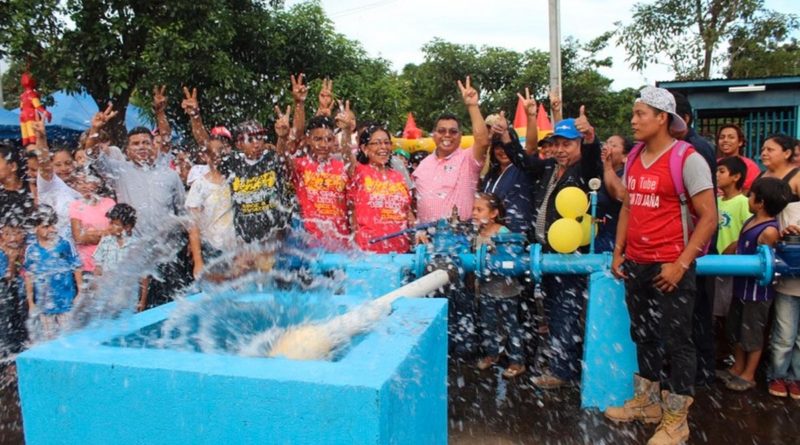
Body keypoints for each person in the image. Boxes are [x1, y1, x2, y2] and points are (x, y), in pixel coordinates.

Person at [606, 86, 716, 445]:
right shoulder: (635, 155)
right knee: (643, 333)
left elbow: (709, 218)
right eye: (634, 113)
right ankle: (648, 403)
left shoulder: (688, 159)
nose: (633, 120)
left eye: (640, 114)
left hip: (671, 265)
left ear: (662, 118)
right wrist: (619, 250)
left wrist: (681, 264)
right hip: (636, 261)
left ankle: (676, 420)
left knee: (678, 341)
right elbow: (628, 206)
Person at [498, 103, 601, 388]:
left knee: (565, 312)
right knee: (551, 311)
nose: (560, 150)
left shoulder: (585, 170)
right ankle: (558, 363)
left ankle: (563, 371)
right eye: (556, 144)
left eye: (567, 144)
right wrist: (506, 135)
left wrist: (591, 139)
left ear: (579, 143)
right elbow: (523, 162)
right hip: (543, 252)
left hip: (570, 254)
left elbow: (594, 161)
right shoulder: (550, 167)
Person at [85, 105, 191, 308]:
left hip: (169, 254)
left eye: (145, 142)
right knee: (139, 310)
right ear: (127, 150)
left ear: (154, 146)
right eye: (135, 144)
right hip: (135, 256)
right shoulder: (119, 171)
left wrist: (191, 247)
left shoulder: (169, 175)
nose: (141, 147)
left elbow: (183, 213)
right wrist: (95, 129)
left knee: (174, 308)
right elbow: (91, 156)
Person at [720, 178, 790, 392]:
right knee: (738, 329)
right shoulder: (751, 221)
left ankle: (749, 374)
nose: (748, 198)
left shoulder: (769, 231)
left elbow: (765, 262)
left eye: (751, 196)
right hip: (741, 288)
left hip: (757, 292)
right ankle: (737, 368)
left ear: (760, 203)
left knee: (752, 333)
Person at [412, 76, 490, 223]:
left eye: (453, 132)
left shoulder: (468, 159)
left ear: (460, 136)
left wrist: (472, 106)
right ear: (434, 135)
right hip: (426, 238)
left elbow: (483, 140)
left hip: (459, 236)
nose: (447, 135)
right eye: (441, 131)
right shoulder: (423, 165)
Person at [472, 193, 526, 378]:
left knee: (511, 325)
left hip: (507, 289)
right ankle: (492, 354)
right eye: (473, 209)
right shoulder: (476, 234)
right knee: (488, 323)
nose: (474, 213)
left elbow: (511, 259)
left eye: (480, 210)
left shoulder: (503, 233)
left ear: (494, 213)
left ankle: (516, 361)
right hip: (486, 289)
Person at [763, 134, 800, 400]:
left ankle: (796, 377)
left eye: (770, 149)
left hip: (796, 253)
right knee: (784, 328)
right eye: (763, 148)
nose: (764, 152)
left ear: (787, 152)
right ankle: (777, 374)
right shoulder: (763, 179)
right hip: (779, 259)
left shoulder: (798, 177)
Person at [220, 118, 293, 244]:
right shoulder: (233, 164)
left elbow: (281, 155)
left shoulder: (271, 159)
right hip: (244, 241)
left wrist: (282, 138)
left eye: (260, 138)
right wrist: (195, 117)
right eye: (250, 139)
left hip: (276, 240)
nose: (257, 144)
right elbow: (207, 146)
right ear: (239, 144)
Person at [347, 125, 413, 253]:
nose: (383, 147)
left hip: (400, 251)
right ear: (364, 148)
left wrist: (417, 230)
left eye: (386, 143)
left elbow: (407, 211)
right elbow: (346, 155)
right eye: (376, 143)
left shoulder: (398, 176)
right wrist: (345, 130)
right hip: (368, 251)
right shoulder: (358, 171)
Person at [289, 115, 350, 245]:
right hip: (309, 244)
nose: (323, 145)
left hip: (341, 243)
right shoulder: (299, 166)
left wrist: (347, 131)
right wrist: (283, 138)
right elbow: (282, 159)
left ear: (334, 141)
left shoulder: (343, 168)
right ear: (308, 140)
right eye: (318, 139)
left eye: (328, 139)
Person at [24, 205, 83, 339]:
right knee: (48, 339)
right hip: (44, 305)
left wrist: (80, 291)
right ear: (35, 228)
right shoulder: (32, 250)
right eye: (45, 226)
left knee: (70, 337)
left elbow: (77, 266)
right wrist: (31, 302)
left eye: (52, 225)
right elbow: (29, 276)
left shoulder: (64, 244)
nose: (51, 229)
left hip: (67, 302)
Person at [185, 130, 236, 278]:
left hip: (236, 249)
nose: (218, 157)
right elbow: (193, 226)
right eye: (213, 153)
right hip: (212, 248)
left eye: (222, 152)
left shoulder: (234, 180)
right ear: (205, 156)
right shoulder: (200, 185)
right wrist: (198, 261)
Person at [480, 112, 534, 237]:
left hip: (516, 236)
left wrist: (531, 117)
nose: (503, 151)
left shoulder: (523, 169)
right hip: (492, 236)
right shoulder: (490, 175)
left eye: (506, 147)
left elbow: (531, 148)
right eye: (498, 147)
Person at [713, 156, 751, 320]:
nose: (717, 175)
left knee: (726, 308)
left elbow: (749, 230)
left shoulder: (743, 202)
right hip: (714, 260)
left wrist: (735, 245)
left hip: (731, 263)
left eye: (722, 171)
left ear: (736, 176)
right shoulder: (715, 201)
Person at [93, 203, 148, 311]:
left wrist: (142, 301)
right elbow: (98, 268)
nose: (110, 227)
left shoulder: (137, 245)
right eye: (111, 223)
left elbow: (144, 276)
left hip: (128, 298)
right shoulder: (106, 241)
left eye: (115, 224)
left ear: (127, 227)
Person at [68, 170, 115, 276]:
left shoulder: (109, 203)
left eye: (87, 181)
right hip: (87, 264)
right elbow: (78, 238)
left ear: (97, 182)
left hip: (109, 262)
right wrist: (104, 233)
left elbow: (116, 233)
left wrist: (90, 233)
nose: (84, 186)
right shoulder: (75, 206)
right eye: (80, 182)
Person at [597, 134, 634, 253]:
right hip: (600, 236)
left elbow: (620, 195)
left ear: (625, 157)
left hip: (614, 240)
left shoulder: (627, 174)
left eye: (613, 145)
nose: (606, 148)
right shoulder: (601, 171)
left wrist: (608, 167)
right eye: (606, 143)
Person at [716, 124, 761, 191]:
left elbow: (751, 191)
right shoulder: (714, 163)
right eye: (722, 137)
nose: (725, 140)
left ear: (740, 142)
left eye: (731, 137)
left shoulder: (749, 166)